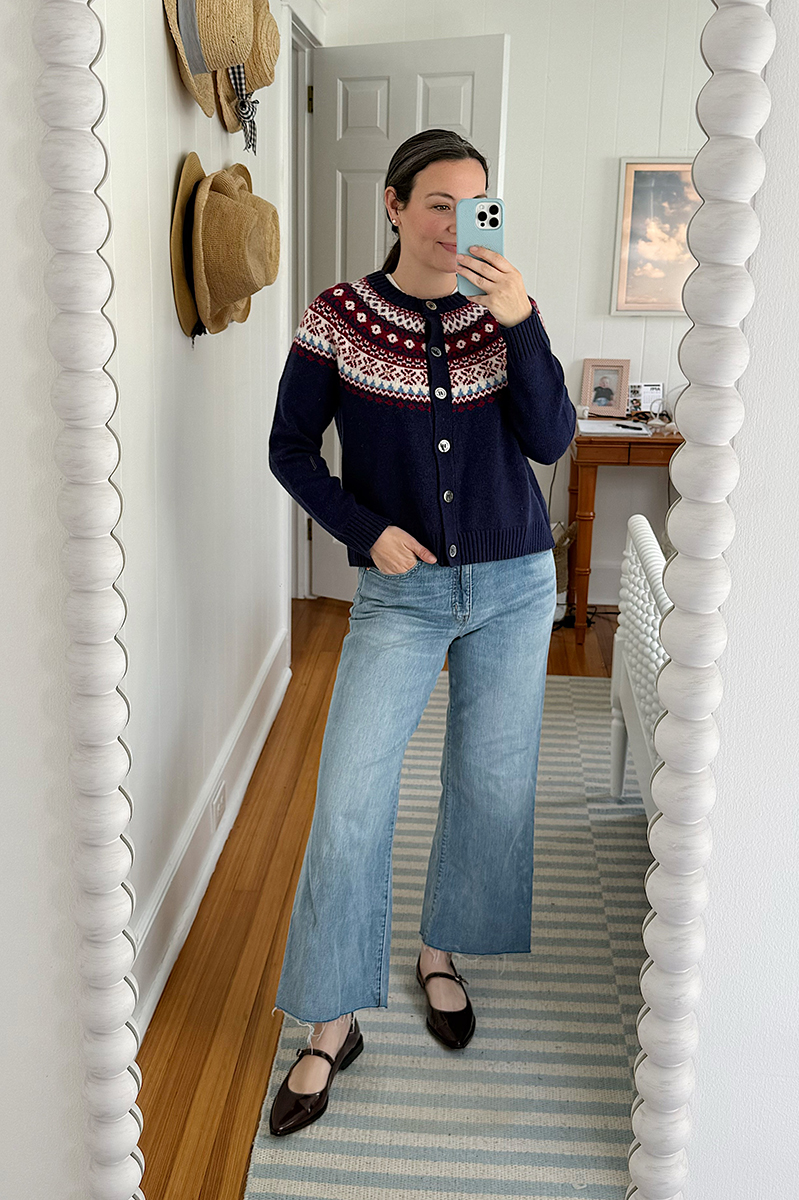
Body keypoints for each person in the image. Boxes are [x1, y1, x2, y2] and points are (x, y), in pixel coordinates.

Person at [266, 129, 576, 1136]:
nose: (458, 225)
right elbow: (289, 449)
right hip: (398, 598)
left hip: (515, 582)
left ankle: (440, 954)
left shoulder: (504, 314)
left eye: (476, 204)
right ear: (394, 207)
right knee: (349, 797)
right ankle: (330, 1022)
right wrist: (366, 530)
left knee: (487, 785)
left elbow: (551, 439)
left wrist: (520, 322)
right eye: (438, 203)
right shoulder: (338, 318)